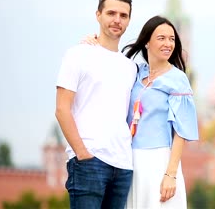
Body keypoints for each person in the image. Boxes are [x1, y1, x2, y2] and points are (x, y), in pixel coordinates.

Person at [83, 15, 199, 208]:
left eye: (172, 39)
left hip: (159, 160)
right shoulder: (135, 71)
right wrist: (93, 45)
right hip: (128, 160)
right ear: (147, 41)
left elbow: (181, 132)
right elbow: (108, 65)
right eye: (161, 38)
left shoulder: (178, 79)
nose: (168, 43)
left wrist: (171, 174)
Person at [55, 0, 137, 208]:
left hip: (122, 165)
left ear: (129, 20)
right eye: (111, 13)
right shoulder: (77, 54)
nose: (117, 20)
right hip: (89, 161)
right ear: (98, 15)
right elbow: (62, 110)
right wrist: (82, 153)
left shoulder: (130, 67)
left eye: (123, 15)